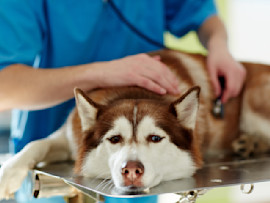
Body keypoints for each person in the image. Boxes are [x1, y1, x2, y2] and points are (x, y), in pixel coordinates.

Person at [0, 0, 246, 202]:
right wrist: (100, 73)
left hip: (138, 187)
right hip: (53, 178)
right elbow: (4, 89)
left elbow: (199, 10)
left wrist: (218, 45)